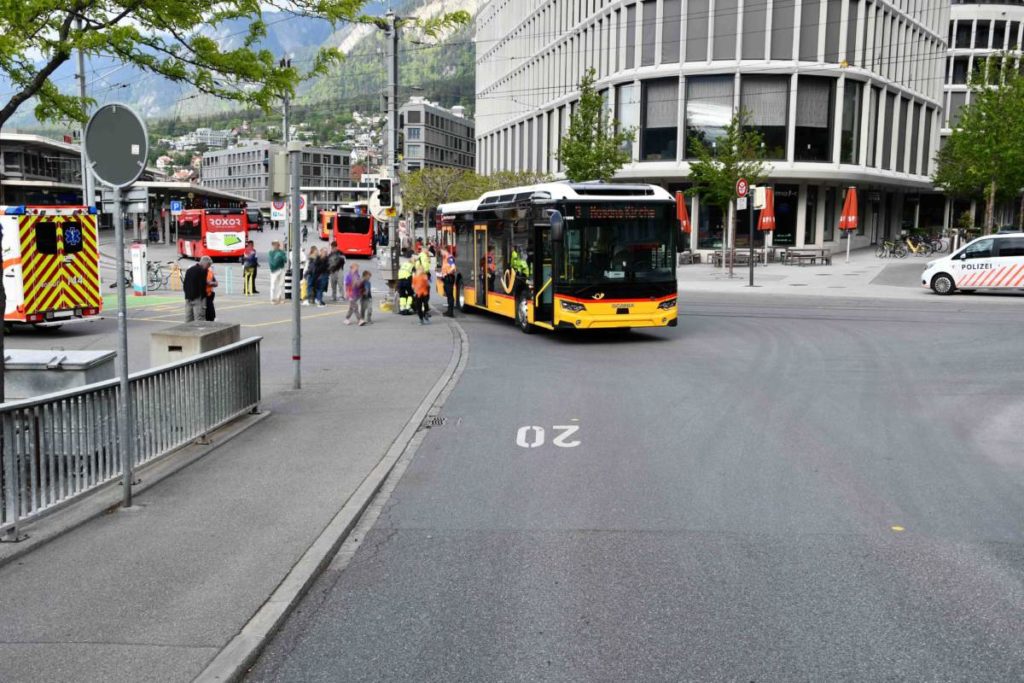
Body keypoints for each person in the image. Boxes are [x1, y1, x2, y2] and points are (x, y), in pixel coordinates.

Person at [183, 256, 211, 321]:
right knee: (199, 319)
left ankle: (188, 330)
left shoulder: (189, 270)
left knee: (188, 319)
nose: (208, 267)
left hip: (188, 297)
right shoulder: (203, 270)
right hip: (198, 298)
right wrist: (203, 299)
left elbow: (185, 284)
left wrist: (187, 295)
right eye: (208, 265)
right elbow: (202, 285)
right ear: (206, 264)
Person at [441, 248, 457, 317]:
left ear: (445, 251)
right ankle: (448, 311)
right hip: (446, 278)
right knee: (448, 295)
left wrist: (447, 273)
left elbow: (453, 267)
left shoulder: (449, 257)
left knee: (450, 295)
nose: (441, 253)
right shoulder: (445, 258)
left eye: (441, 251)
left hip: (449, 278)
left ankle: (451, 312)